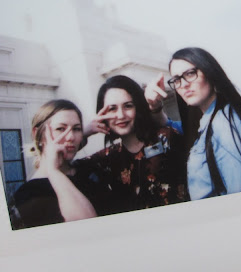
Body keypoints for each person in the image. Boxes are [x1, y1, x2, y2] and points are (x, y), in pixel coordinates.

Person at [145, 47, 241, 200]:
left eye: (190, 74)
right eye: (176, 79)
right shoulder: (208, 120)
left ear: (209, 72)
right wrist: (154, 106)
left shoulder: (226, 125)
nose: (183, 84)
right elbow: (172, 127)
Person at [75, 75, 189, 215]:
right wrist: (84, 133)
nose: (121, 115)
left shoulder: (165, 137)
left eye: (128, 106)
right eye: (112, 109)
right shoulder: (107, 157)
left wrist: (156, 108)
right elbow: (65, 164)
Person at [10, 99, 97, 229]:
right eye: (60, 128)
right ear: (36, 133)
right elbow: (90, 227)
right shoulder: (29, 195)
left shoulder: (87, 170)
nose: (71, 137)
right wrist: (53, 170)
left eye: (77, 129)